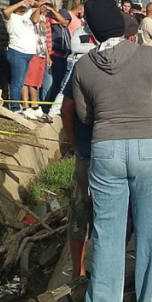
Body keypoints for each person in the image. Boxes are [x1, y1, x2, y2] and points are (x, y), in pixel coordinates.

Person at [73, 0, 152, 302]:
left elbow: (85, 116)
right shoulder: (150, 57)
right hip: (148, 147)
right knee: (150, 227)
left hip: (106, 149)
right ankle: (148, 301)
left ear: (90, 28)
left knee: (107, 227)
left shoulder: (83, 67)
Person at [59, 55, 93, 279]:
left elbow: (66, 109)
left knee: (79, 212)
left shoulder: (84, 64)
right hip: (116, 151)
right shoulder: (134, 62)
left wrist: (74, 142)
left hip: (86, 151)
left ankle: (77, 272)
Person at [1, 0, 40, 114]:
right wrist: (21, 3)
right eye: (21, 6)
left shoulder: (26, 15)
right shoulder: (11, 17)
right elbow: (6, 11)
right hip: (17, 52)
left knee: (21, 82)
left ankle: (18, 106)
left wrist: (35, 5)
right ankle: (14, 107)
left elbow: (36, 17)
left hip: (28, 54)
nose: (24, 8)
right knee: (16, 83)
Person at [40, 2, 71, 113]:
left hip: (63, 58)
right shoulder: (51, 24)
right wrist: (52, 11)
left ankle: (51, 105)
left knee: (58, 84)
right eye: (65, 18)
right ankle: (44, 105)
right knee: (49, 84)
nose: (66, 21)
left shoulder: (65, 28)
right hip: (53, 56)